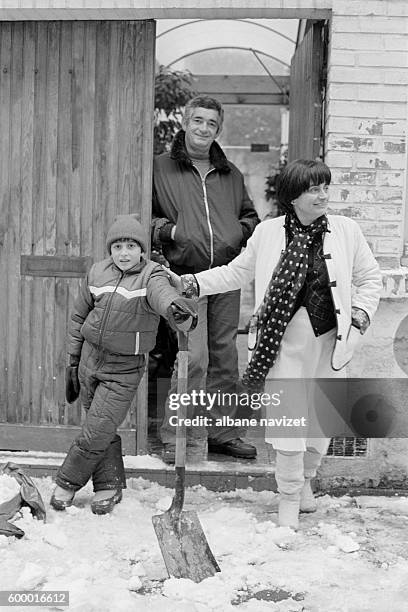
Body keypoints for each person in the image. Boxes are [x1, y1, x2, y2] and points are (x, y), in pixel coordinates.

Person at [176, 159, 382, 529]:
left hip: (330, 345)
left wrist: (361, 316)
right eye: (314, 188)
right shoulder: (269, 233)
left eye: (325, 187)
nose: (323, 195)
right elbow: (237, 271)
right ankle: (287, 497)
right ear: (294, 196)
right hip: (281, 346)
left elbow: (369, 277)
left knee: (321, 422)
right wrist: (193, 283)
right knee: (289, 423)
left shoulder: (346, 230)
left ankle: (305, 483)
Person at [50, 214, 197, 515]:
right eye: (117, 246)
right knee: (101, 428)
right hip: (90, 361)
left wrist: (175, 308)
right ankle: (109, 484)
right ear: (110, 250)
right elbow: (79, 318)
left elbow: (163, 295)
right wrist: (72, 361)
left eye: (131, 245)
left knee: (96, 429)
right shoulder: (97, 273)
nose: (124, 253)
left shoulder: (151, 276)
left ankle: (67, 480)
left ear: (142, 249)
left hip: (123, 369)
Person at [152, 95, 260, 463]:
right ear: (185, 121)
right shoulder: (159, 168)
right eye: (197, 120)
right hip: (185, 278)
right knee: (193, 357)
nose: (203, 128)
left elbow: (251, 217)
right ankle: (179, 436)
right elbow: (144, 217)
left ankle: (222, 433)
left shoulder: (231, 173)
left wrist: (236, 232)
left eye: (211, 124)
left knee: (225, 357)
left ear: (218, 129)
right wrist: (171, 231)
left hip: (225, 277)